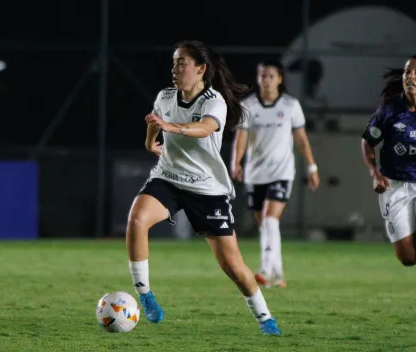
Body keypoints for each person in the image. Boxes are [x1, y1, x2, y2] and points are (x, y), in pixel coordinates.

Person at [126, 40, 281, 335]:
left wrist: (173, 128)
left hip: (207, 188)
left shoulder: (214, 101)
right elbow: (154, 119)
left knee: (232, 265)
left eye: (182, 62)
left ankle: (265, 318)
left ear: (201, 69)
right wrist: (150, 141)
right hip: (169, 177)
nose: (175, 68)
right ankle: (145, 296)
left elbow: (206, 128)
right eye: (174, 62)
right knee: (136, 219)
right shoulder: (166, 96)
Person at [230, 61, 320, 288]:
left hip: (281, 172)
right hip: (255, 174)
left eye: (270, 76)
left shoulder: (290, 105)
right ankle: (277, 273)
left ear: (280, 79)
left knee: (270, 219)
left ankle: (267, 270)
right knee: (266, 226)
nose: (266, 80)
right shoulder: (248, 105)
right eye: (262, 76)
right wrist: (236, 163)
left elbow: (301, 138)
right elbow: (241, 137)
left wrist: (312, 167)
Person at [361, 55, 416, 266]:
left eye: (415, 73)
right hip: (395, 186)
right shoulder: (390, 110)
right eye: (407, 72)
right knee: (408, 258)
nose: (410, 77)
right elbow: (368, 142)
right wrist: (375, 173)